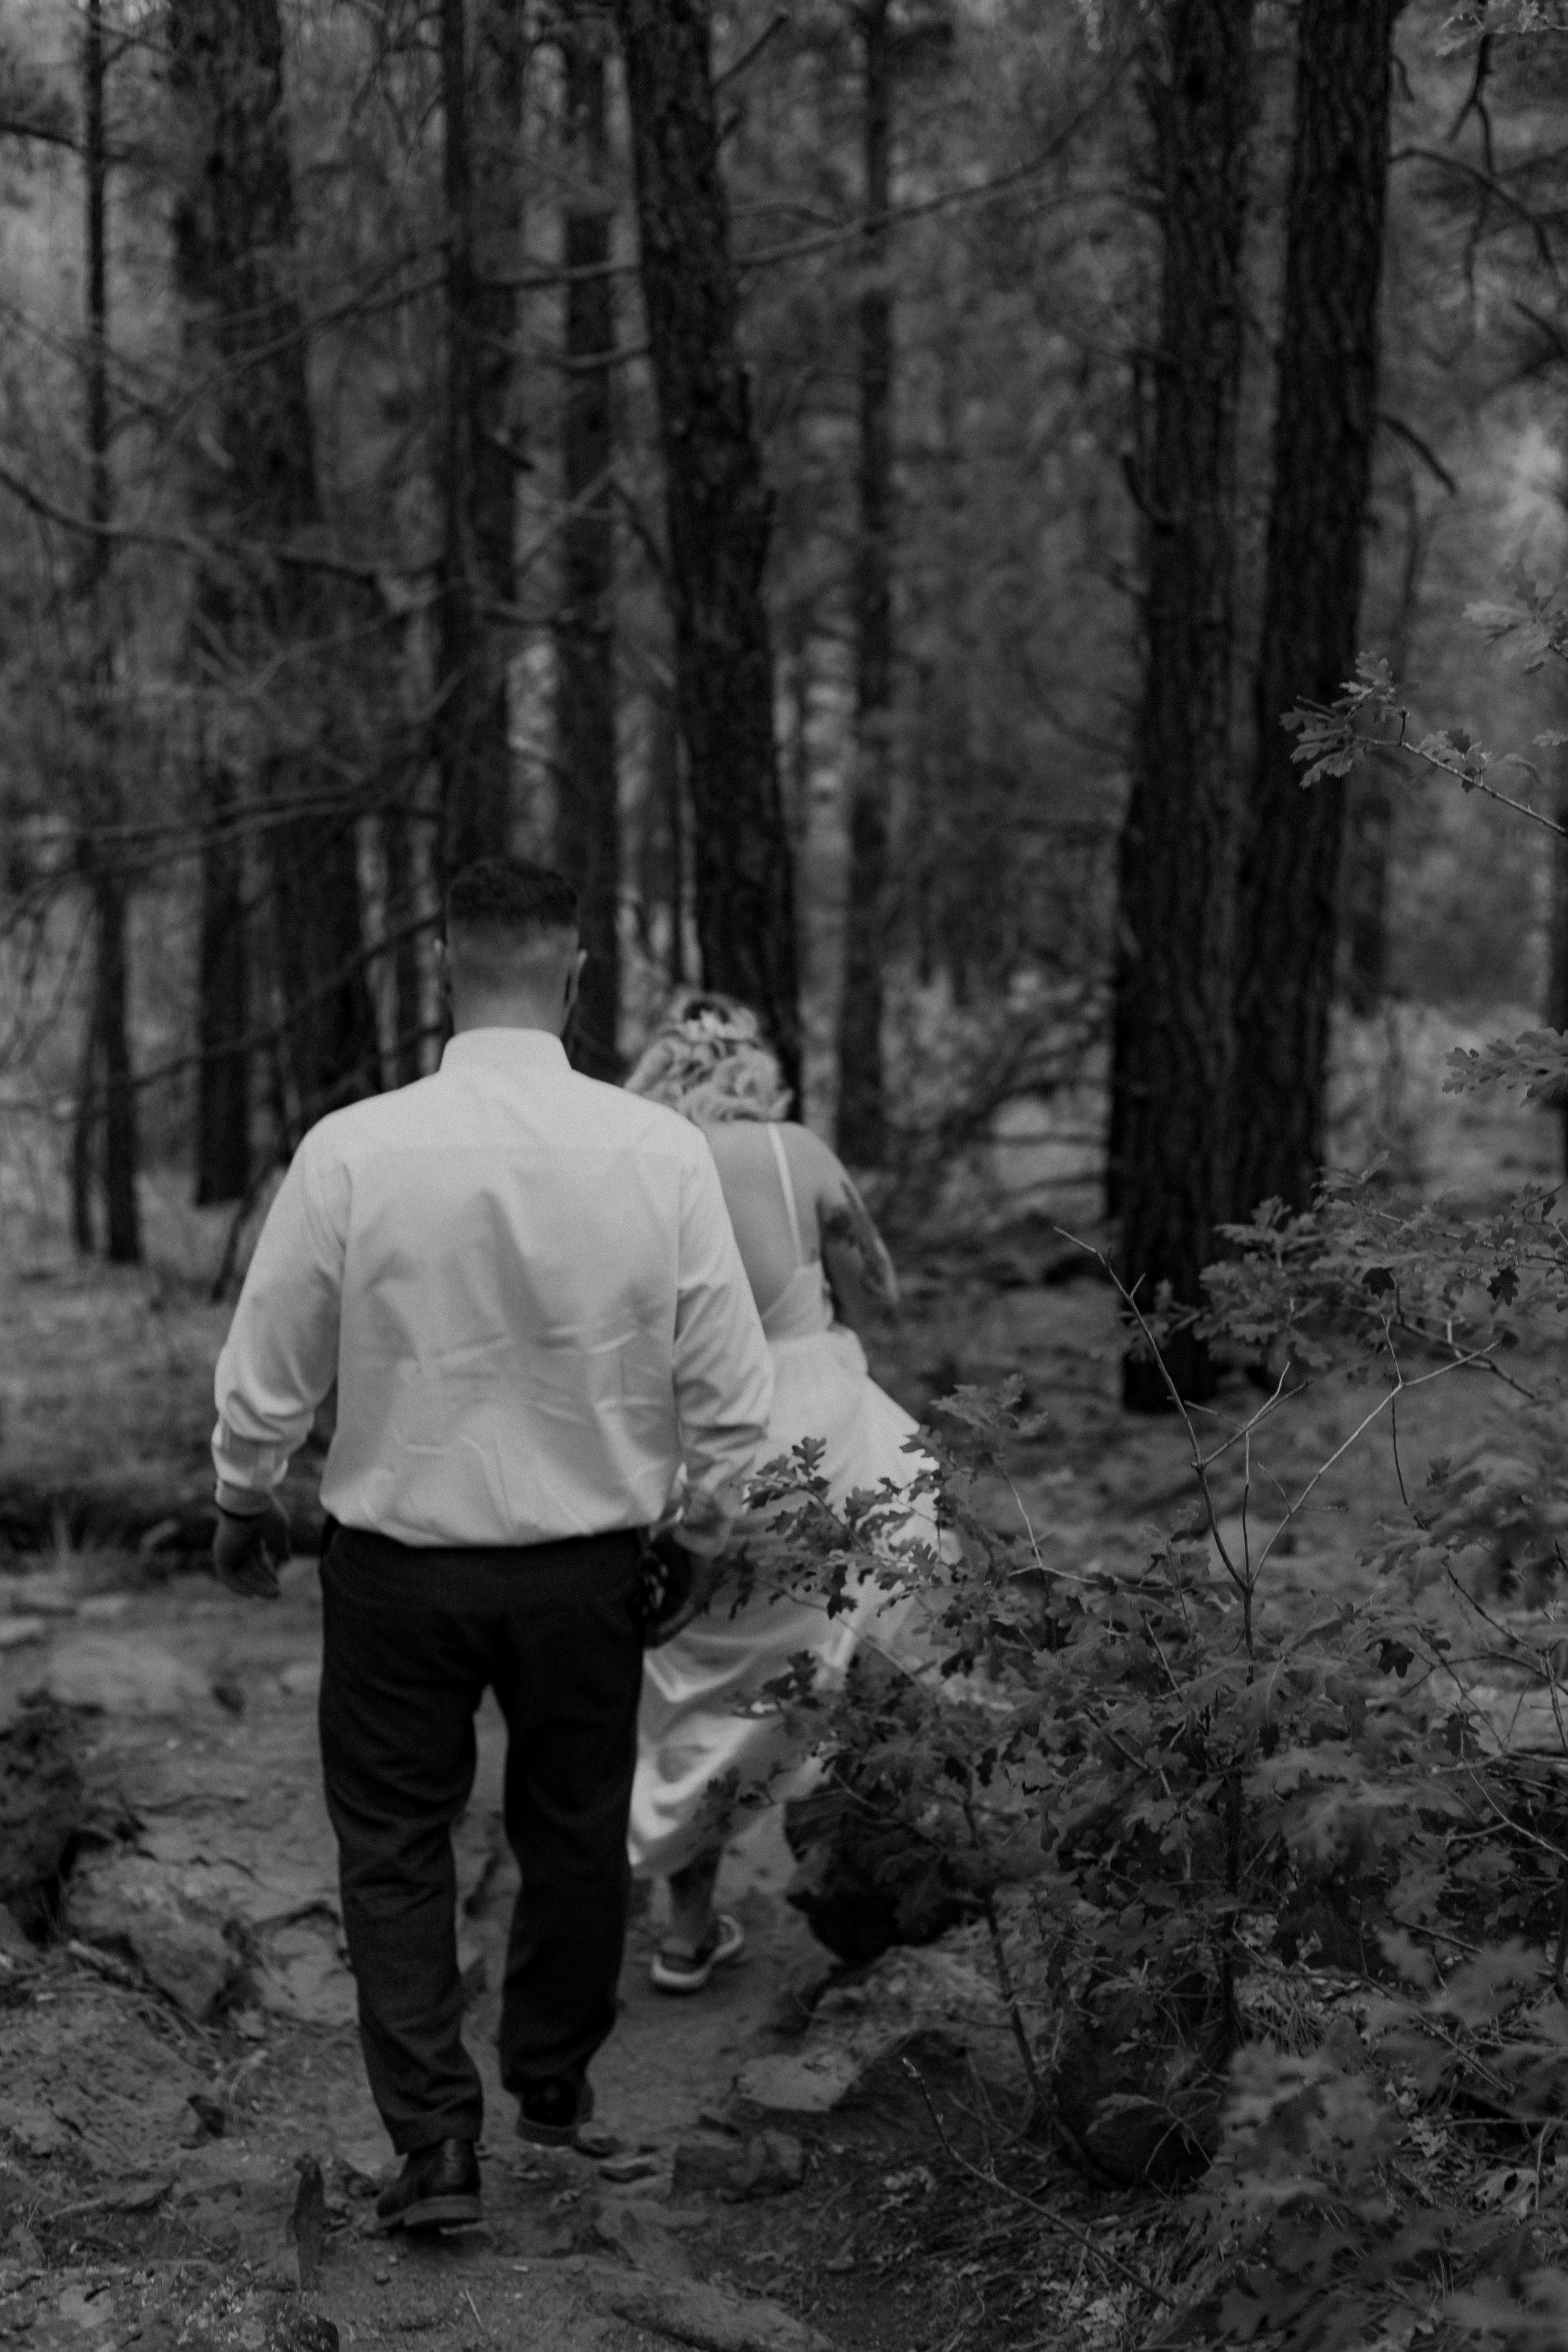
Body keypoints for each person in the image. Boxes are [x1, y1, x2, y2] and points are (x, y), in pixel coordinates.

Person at [208, 863, 773, 2235]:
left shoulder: (353, 1147)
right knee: (571, 1824)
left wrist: (245, 1491)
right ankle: (555, 2088)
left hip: (397, 1565)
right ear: (576, 977)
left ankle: (432, 2149)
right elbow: (731, 1387)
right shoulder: (657, 1153)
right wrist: (703, 1522)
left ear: (446, 971)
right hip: (588, 1564)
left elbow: (270, 1349)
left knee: (395, 1841)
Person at [623, 992, 931, 1991]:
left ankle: (684, 1925)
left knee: (695, 1672)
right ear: (758, 1071)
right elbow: (878, 1281)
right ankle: (881, 1862)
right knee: (868, 1608)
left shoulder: (644, 1164)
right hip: (818, 1419)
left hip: (703, 1424)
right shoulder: (798, 1150)